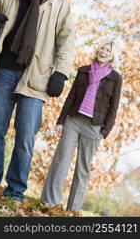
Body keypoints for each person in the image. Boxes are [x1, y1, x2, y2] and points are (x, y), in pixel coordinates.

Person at [0, 0, 75, 202]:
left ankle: (15, 191)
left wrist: (61, 74)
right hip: (5, 70)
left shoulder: (58, 2)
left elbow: (66, 41)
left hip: (37, 77)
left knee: (25, 137)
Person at [40, 40, 122, 212]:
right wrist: (61, 121)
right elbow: (71, 97)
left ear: (112, 56)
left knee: (82, 169)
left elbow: (113, 108)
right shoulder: (83, 71)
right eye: (102, 48)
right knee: (61, 160)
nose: (104, 51)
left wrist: (104, 132)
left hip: (94, 127)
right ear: (97, 50)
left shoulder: (115, 78)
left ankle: (73, 211)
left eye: (108, 50)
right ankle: (49, 203)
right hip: (74, 121)